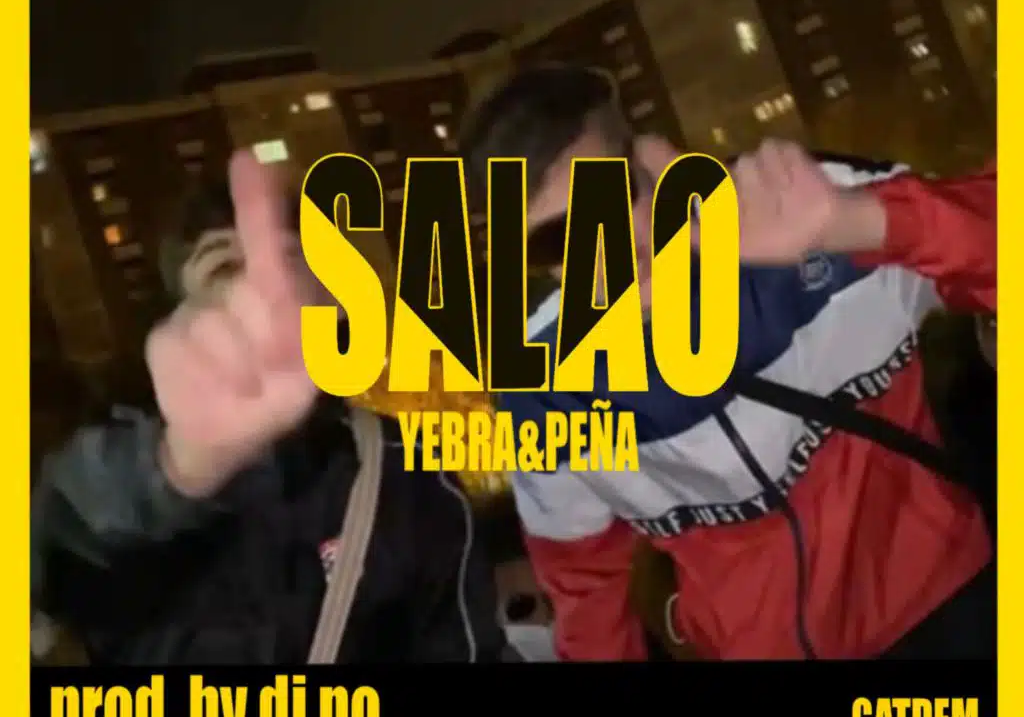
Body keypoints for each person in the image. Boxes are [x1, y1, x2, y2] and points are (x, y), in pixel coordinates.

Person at [458, 63, 996, 661]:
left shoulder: (810, 207)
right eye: (554, 239)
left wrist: (861, 223)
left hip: (948, 609)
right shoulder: (545, 383)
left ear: (649, 164)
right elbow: (583, 582)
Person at [32, 150, 508, 665]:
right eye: (222, 266)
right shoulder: (107, 470)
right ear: (181, 309)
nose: (256, 293)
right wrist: (177, 468)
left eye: (290, 264)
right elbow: (55, 555)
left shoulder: (405, 472)